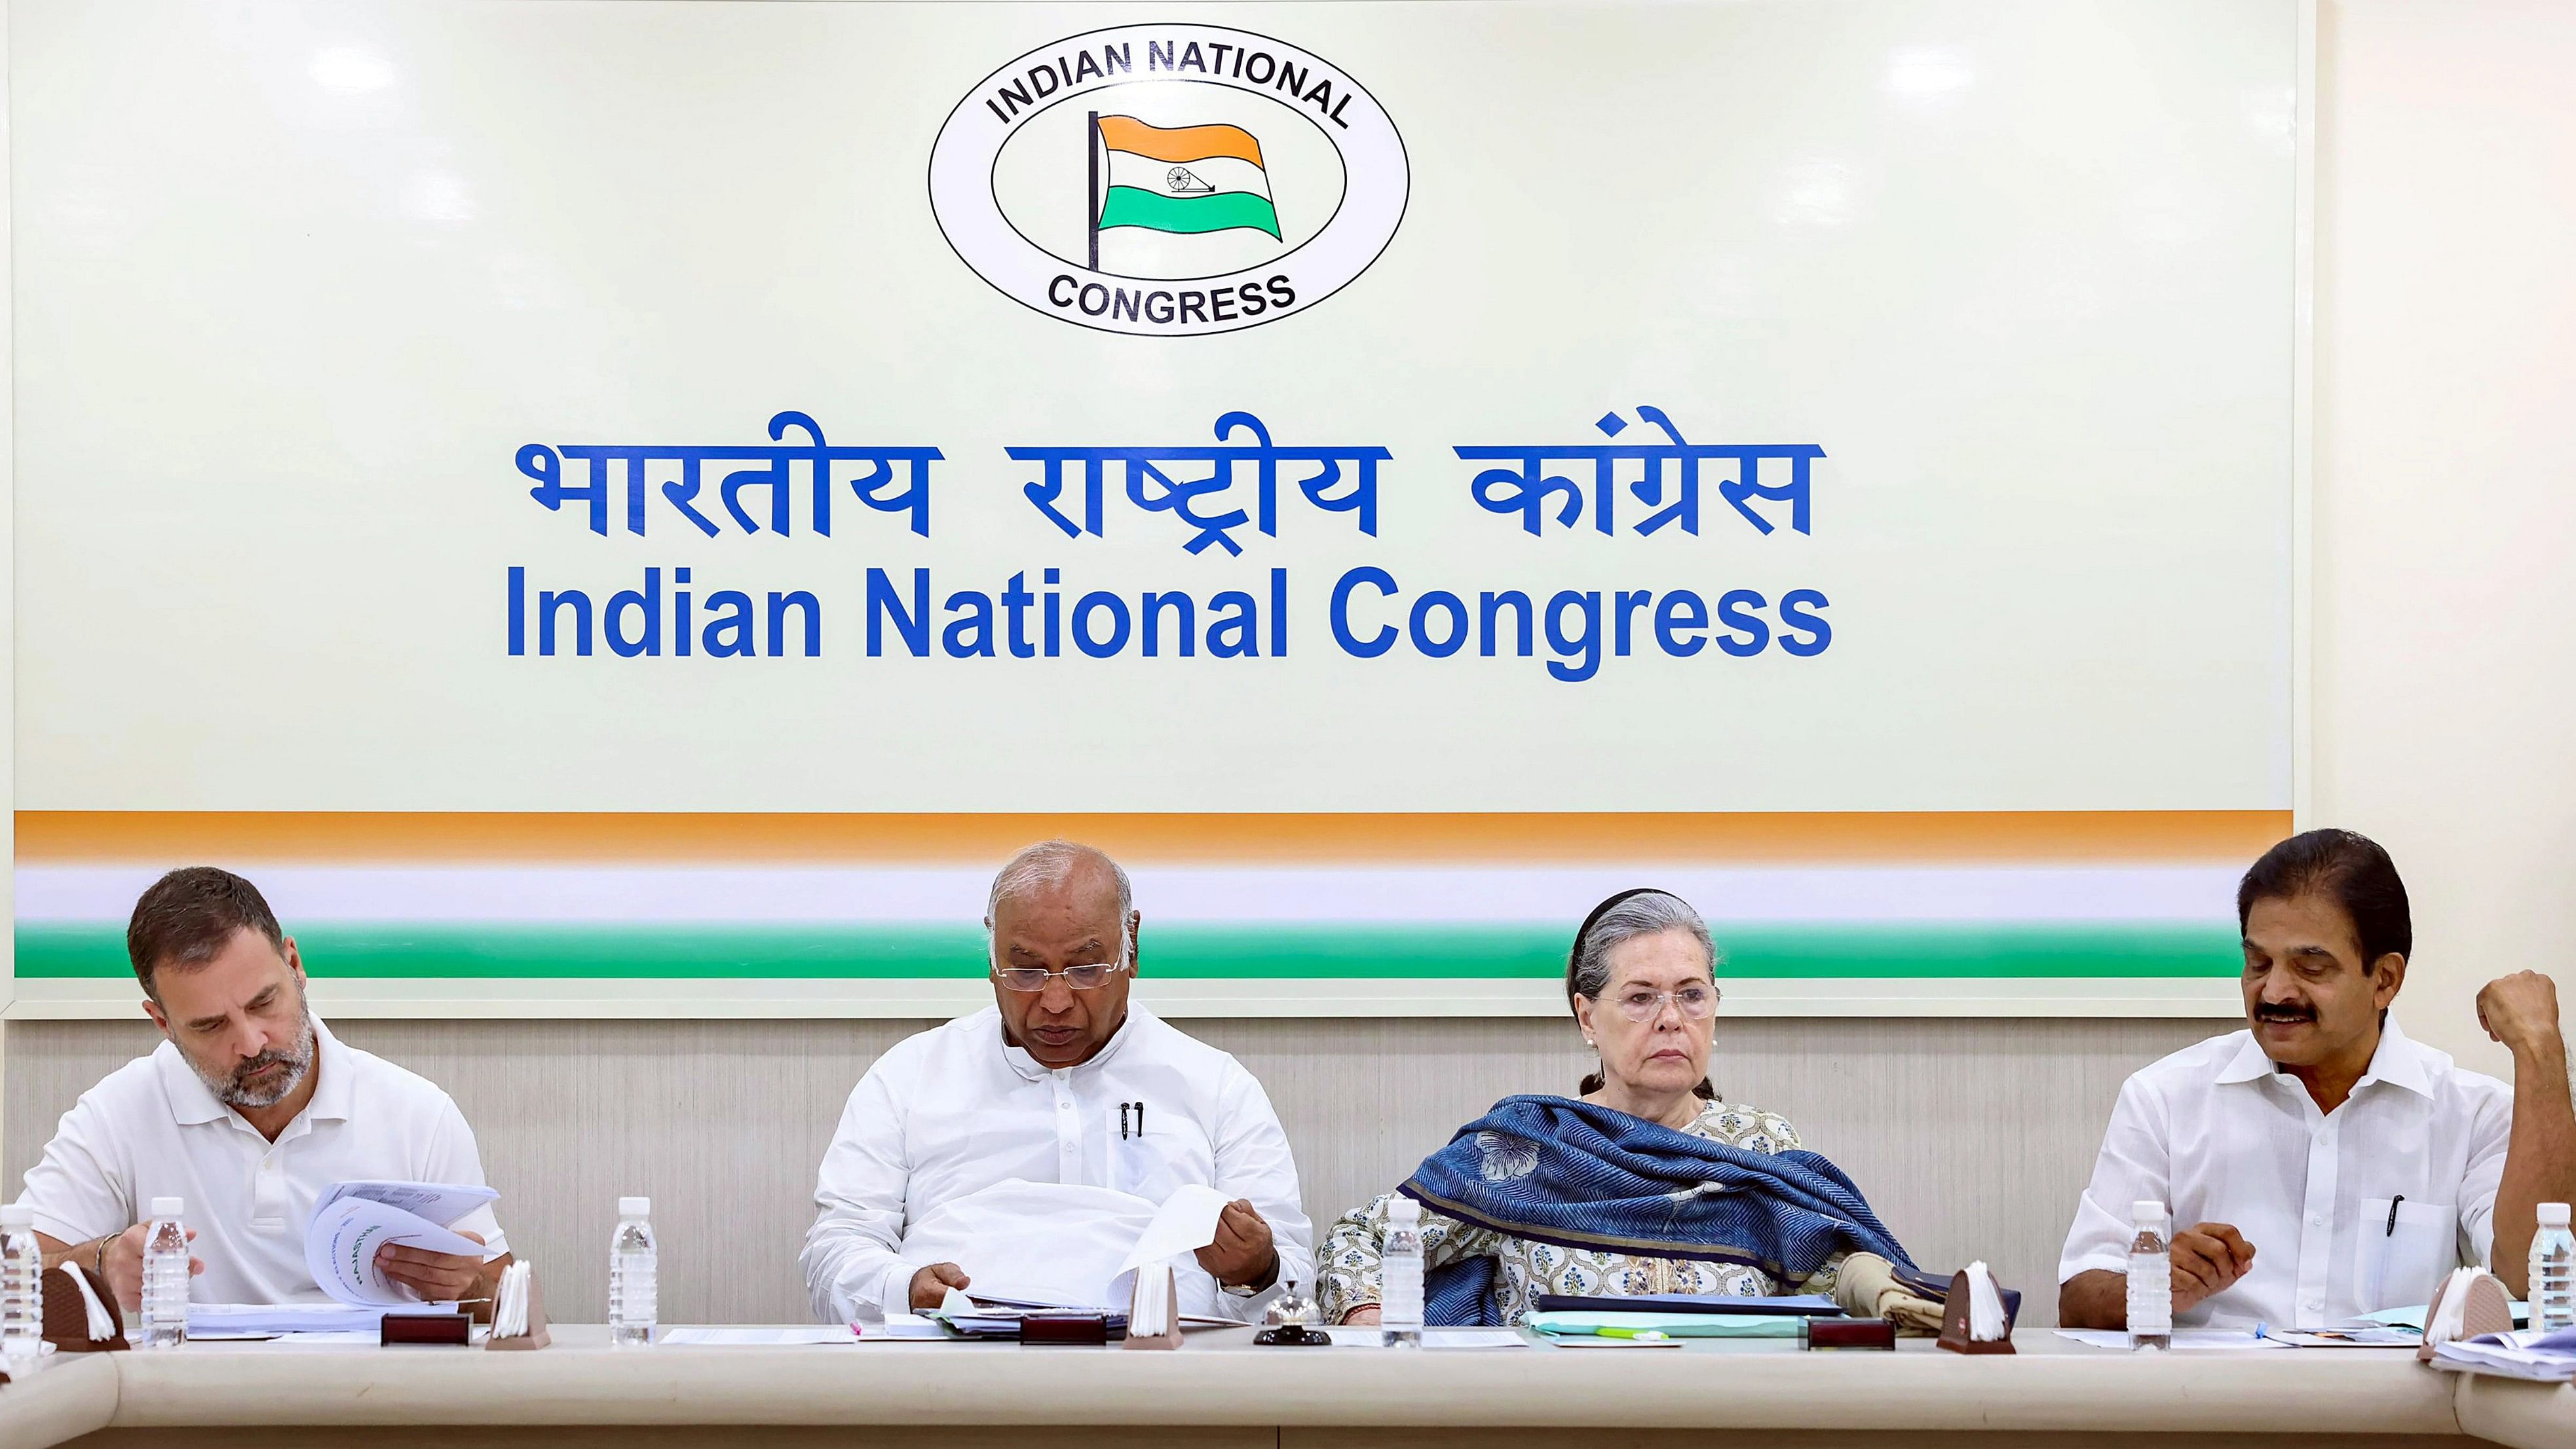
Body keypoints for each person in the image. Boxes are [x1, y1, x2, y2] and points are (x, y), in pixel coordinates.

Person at [1321, 889, 1934, 1328]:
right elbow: (1360, 1239)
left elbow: (1825, 1273)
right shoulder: (1529, 1145)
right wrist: (1381, 1333)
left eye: (1692, 995)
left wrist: (1873, 1285)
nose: (1672, 1018)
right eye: (1641, 998)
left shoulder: (1759, 1144)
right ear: (1588, 1017)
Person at [2058, 829, 2576, 1330]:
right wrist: (2153, 1285)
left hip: (2396, 1416)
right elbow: (2078, 1294)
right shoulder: (2166, 1098)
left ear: (2385, 980)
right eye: (2258, 962)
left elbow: (2536, 1279)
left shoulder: (2471, 1113)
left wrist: (2539, 1051)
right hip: (2210, 1410)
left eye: (2310, 968)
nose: (2275, 991)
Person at [801, 840, 1314, 1323]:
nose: (1055, 1001)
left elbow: (1292, 1286)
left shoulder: (1215, 1085)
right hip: (953, 1377)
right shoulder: (910, 1076)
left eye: (1086, 969)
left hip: (1159, 1379)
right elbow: (835, 1252)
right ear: (991, 955)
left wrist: (1255, 1272)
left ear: (1132, 947)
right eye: (1024, 972)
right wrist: (906, 1287)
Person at [16, 867, 510, 1312]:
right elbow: (13, 1281)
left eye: (263, 1003)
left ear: (294, 964)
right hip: (187, 1404)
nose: (251, 1044)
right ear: (163, 1022)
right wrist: (100, 1262)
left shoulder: (417, 1113)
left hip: (374, 1402)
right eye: (210, 1026)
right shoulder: (117, 1113)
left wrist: (464, 1285)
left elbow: (511, 1304)